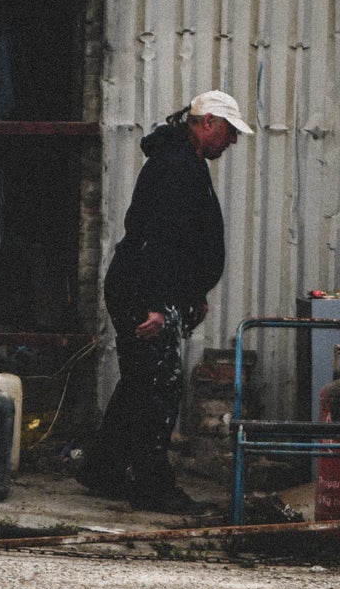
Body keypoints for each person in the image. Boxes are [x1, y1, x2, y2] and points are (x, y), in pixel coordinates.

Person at [78, 90, 251, 512]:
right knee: (161, 385)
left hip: (145, 286)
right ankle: (151, 484)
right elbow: (158, 237)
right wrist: (156, 302)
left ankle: (103, 468)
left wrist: (193, 295)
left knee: (141, 380)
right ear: (208, 122)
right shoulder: (176, 165)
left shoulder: (181, 160)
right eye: (229, 132)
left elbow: (181, 239)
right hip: (143, 289)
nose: (232, 142)